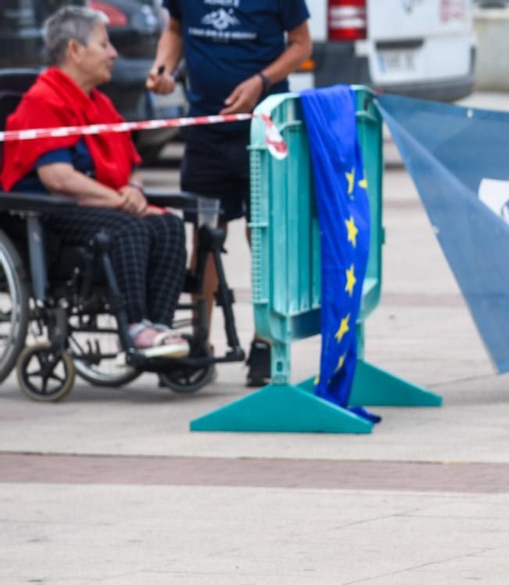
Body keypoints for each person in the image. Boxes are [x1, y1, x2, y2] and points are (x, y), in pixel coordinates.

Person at [1, 7, 187, 356]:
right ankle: (134, 326)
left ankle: (158, 328)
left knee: (168, 226)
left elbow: (130, 164)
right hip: (49, 214)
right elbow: (58, 178)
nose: (114, 53)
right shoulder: (43, 101)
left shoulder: (100, 104)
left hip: (97, 206)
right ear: (75, 50)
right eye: (104, 44)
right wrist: (120, 201)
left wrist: (133, 190)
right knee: (130, 227)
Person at [146, 0, 311, 385]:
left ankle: (266, 341)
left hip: (264, 128)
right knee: (205, 238)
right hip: (206, 130)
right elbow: (175, 28)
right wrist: (163, 68)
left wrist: (261, 81)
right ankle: (200, 342)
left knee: (263, 237)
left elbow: (301, 44)